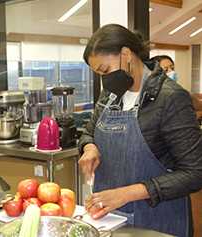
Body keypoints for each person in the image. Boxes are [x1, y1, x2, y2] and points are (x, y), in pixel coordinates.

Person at [78, 24, 202, 237]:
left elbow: (194, 173)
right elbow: (89, 132)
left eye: (105, 70)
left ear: (126, 54)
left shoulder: (170, 97)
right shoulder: (110, 94)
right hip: (112, 218)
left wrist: (127, 194)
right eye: (99, 73)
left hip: (157, 221)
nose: (104, 79)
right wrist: (90, 148)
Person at [149, 55, 202, 120]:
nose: (171, 72)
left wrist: (186, 124)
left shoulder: (184, 93)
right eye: (165, 70)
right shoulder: (148, 95)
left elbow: (199, 110)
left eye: (172, 68)